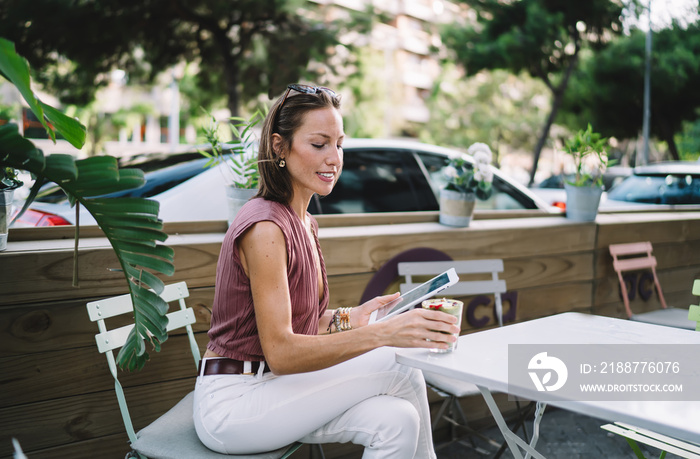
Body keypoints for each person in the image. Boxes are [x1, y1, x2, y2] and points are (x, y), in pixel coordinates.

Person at [193, 83, 460, 458]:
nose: (334, 157)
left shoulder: (304, 222)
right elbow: (283, 352)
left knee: (398, 420)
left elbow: (305, 322)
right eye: (319, 144)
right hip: (236, 401)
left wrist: (353, 318)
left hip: (280, 387)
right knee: (396, 364)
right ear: (279, 147)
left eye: (339, 144)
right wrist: (384, 334)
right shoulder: (265, 228)